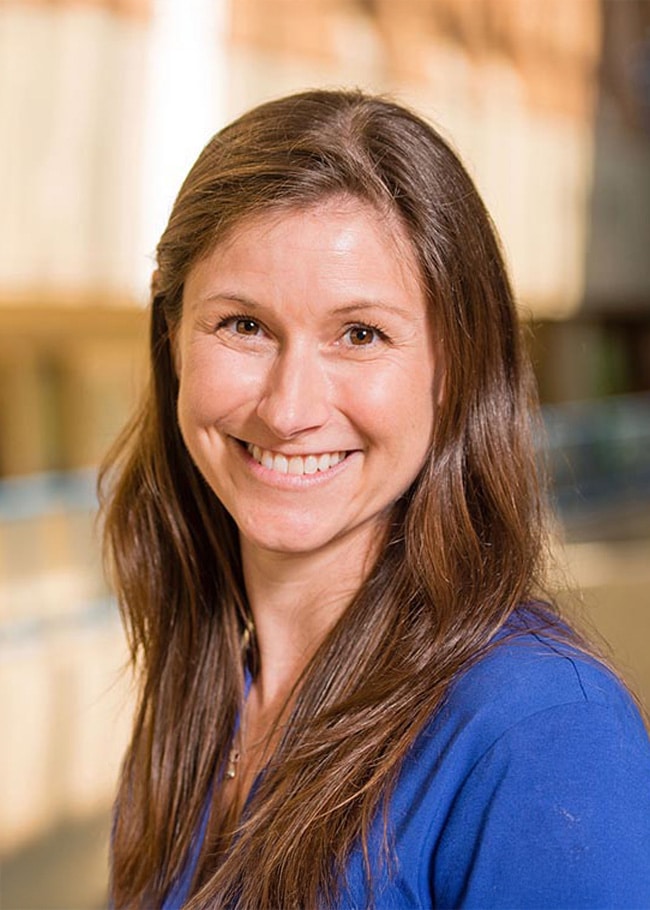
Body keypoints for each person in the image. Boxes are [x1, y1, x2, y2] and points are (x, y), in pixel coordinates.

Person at [100, 89, 650, 909]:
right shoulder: (205, 690)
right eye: (243, 325)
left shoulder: (541, 734)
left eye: (361, 335)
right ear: (171, 336)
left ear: (455, 371)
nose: (289, 410)